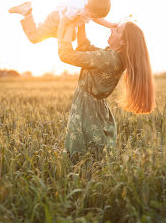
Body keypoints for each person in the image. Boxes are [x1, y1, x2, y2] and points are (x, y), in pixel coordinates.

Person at [57, 16, 155, 158]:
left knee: (82, 153)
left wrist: (66, 26)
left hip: (87, 107)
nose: (111, 29)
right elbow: (84, 47)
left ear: (123, 42)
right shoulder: (113, 57)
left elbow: (65, 55)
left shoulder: (108, 58)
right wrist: (82, 24)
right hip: (96, 107)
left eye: (117, 30)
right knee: (95, 152)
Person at [8, 0, 116, 44]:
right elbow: (64, 23)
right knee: (34, 38)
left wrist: (111, 25)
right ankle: (27, 12)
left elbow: (97, 19)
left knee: (72, 37)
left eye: (94, 16)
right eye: (92, 15)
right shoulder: (76, 8)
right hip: (56, 19)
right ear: (88, 6)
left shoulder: (91, 8)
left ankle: (43, 28)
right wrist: (61, 43)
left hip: (61, 21)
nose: (92, 18)